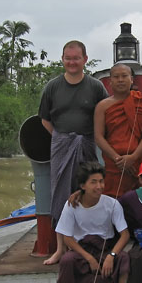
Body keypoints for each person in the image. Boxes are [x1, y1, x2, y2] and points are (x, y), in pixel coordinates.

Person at [38, 40, 109, 265]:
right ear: (62, 60)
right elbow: (45, 119)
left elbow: (106, 113)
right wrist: (61, 138)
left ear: (85, 60)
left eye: (76, 58)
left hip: (87, 144)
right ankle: (60, 249)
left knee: (86, 192)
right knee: (60, 196)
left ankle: (86, 246)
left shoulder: (96, 87)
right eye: (68, 58)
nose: (72, 62)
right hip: (61, 145)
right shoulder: (52, 87)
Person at [54, 161, 131, 283]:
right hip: (83, 249)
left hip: (105, 247)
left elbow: (124, 235)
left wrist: (112, 256)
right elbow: (68, 238)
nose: (99, 186)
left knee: (124, 259)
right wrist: (89, 258)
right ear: (83, 185)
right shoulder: (72, 205)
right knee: (67, 260)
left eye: (101, 181)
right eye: (93, 182)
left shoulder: (112, 204)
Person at [94, 63, 142, 198]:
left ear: (132, 79)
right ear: (110, 81)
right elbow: (98, 137)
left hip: (138, 162)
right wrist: (118, 159)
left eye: (124, 76)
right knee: (114, 201)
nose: (120, 80)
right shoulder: (102, 106)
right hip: (114, 165)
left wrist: (133, 157)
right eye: (116, 77)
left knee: (141, 201)